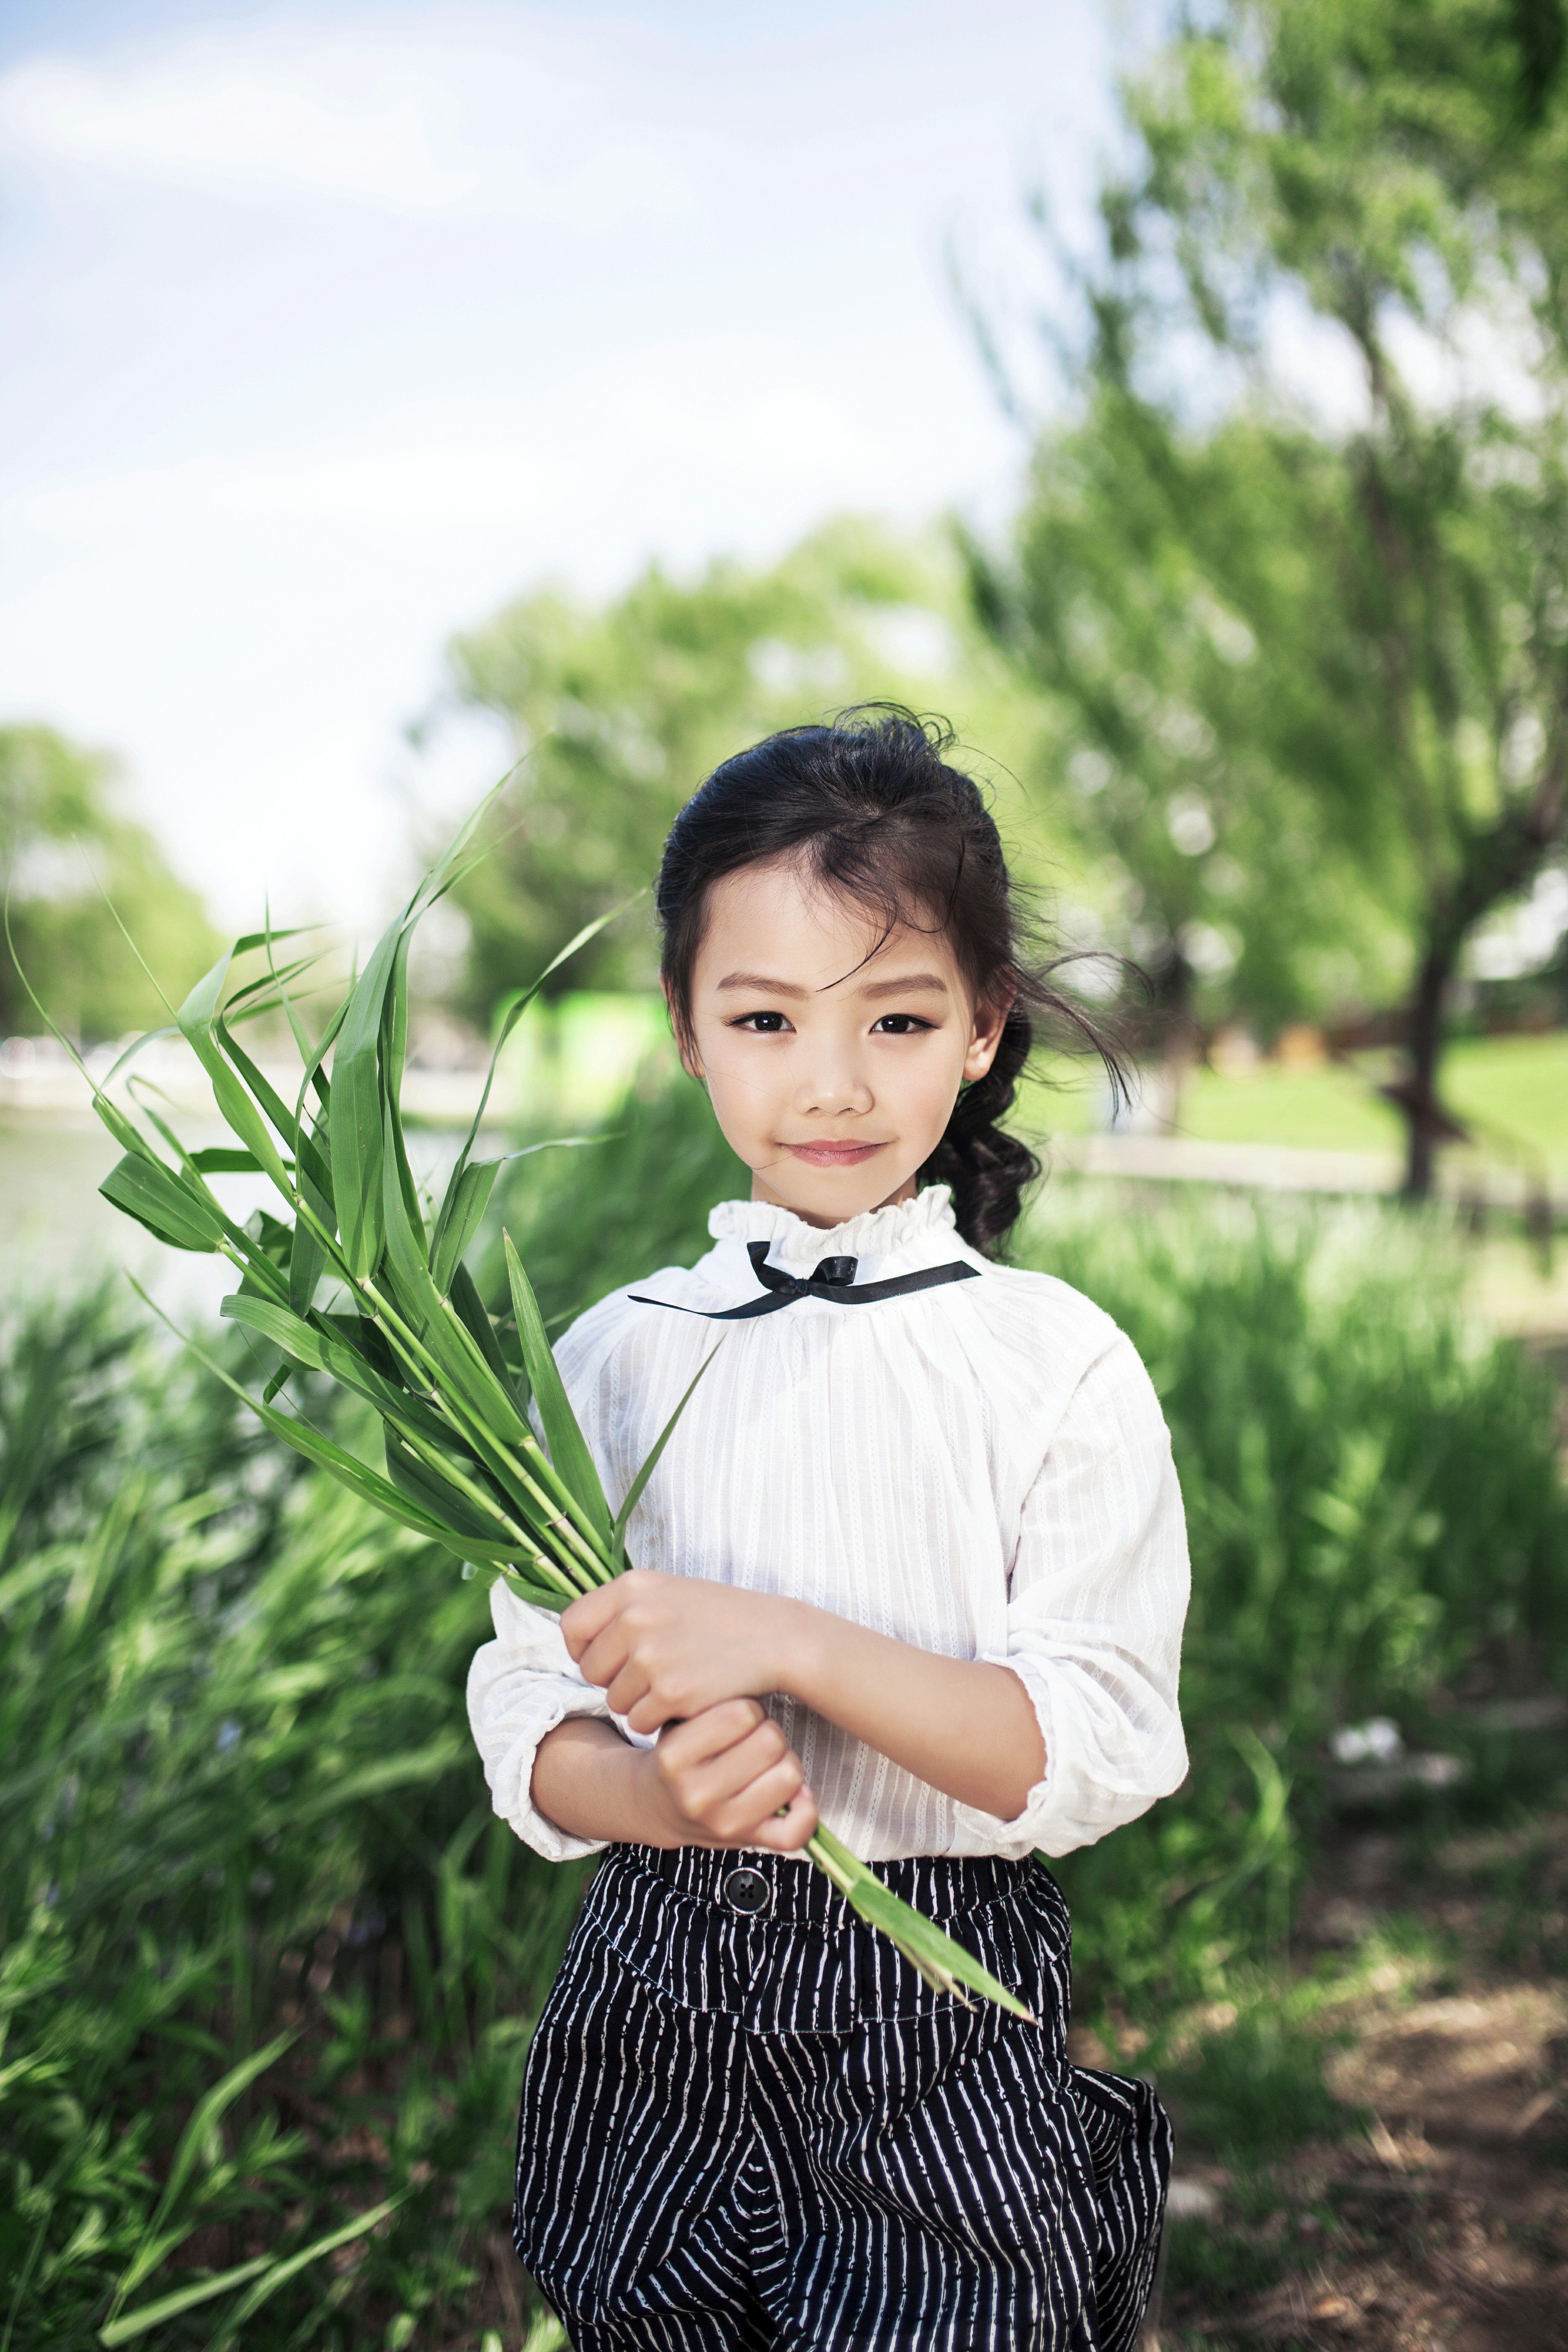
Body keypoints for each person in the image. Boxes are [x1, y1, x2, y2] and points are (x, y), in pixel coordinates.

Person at [467, 709, 1190, 2352]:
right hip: (645, 2000)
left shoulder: (1052, 1365)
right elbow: (521, 1696)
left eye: (900, 1015)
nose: (834, 1080)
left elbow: (1091, 1739)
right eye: (767, 1017)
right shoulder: (612, 1352)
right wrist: (648, 1791)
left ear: (985, 1028)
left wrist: (788, 1646)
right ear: (686, 1032)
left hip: (932, 2010)